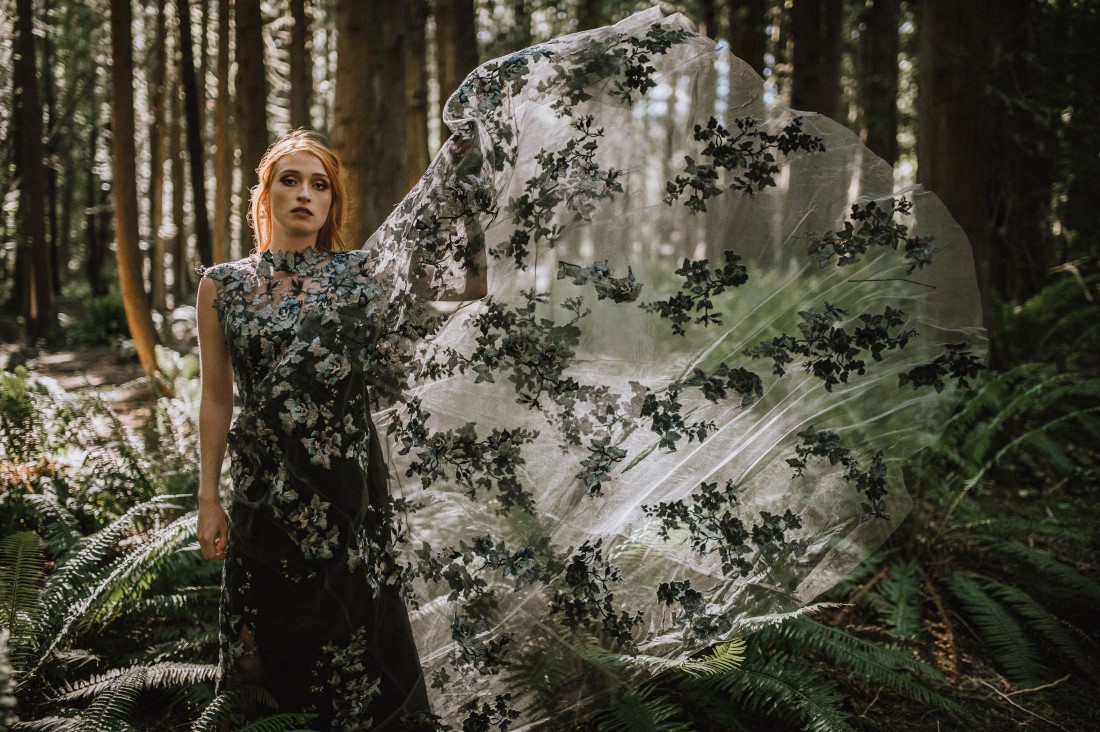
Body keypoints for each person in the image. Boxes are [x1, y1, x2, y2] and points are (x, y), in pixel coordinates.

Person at [196, 6, 984, 729]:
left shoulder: (360, 278)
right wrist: (208, 498)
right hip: (263, 484)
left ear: (334, 203)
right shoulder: (223, 286)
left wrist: (498, 120)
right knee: (272, 642)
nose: (306, 193)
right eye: (289, 180)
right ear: (263, 195)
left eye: (320, 183)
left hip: (345, 486)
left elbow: (435, 221)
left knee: (355, 638)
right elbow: (215, 403)